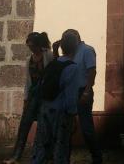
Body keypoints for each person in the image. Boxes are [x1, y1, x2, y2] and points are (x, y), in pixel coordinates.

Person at [4, 32, 54, 164]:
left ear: (38, 45)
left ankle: (45, 155)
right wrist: (25, 99)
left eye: (32, 46)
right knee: (24, 124)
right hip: (33, 95)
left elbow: (53, 74)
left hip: (45, 95)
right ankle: (16, 156)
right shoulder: (29, 59)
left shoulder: (48, 55)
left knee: (44, 126)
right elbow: (28, 81)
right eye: (29, 46)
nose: (31, 48)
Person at [31, 35, 79, 164]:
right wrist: (73, 113)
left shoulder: (53, 64)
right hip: (60, 112)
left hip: (45, 108)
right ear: (76, 48)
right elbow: (71, 95)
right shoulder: (72, 67)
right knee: (60, 147)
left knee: (40, 145)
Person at [60, 29, 102, 164]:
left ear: (76, 38)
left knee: (86, 128)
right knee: (67, 127)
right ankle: (65, 156)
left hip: (82, 90)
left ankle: (96, 156)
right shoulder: (71, 52)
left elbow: (92, 71)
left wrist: (87, 91)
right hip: (69, 93)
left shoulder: (87, 50)